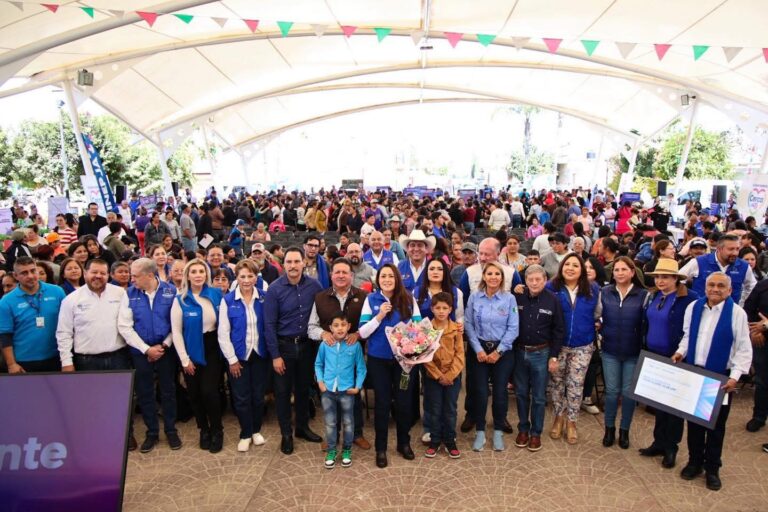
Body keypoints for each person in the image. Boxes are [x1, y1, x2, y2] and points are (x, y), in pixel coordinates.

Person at [673, 272, 752, 491]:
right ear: (705, 287)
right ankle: (695, 462)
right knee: (695, 423)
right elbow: (688, 336)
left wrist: (735, 376)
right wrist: (680, 353)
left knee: (716, 427)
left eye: (720, 286)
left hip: (720, 376)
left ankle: (713, 468)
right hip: (695, 372)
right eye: (711, 285)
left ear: (729, 290)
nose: (714, 289)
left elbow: (744, 349)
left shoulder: (736, 314)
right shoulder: (694, 307)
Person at [56, 258, 135, 449]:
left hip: (118, 357)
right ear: (85, 273)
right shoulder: (71, 300)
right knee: (90, 404)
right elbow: (64, 333)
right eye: (94, 272)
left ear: (108, 275)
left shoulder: (120, 294)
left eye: (103, 273)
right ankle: (97, 440)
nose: (98, 276)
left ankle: (126, 435)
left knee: (122, 400)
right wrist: (67, 362)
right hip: (87, 360)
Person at [358, 263, 422, 468]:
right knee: (383, 404)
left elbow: (419, 328)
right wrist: (379, 316)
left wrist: (409, 342)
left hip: (403, 361)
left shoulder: (409, 299)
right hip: (379, 360)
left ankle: (404, 443)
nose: (387, 280)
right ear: (378, 280)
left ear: (397, 279)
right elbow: (363, 332)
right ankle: (381, 448)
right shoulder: (371, 300)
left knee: (403, 403)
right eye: (383, 276)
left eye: (390, 276)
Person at [264, 247, 324, 455]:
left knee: (302, 389)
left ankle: (302, 427)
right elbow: (269, 325)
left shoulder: (314, 286)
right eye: (288, 262)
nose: (292, 265)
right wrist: (275, 356)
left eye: (296, 261)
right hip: (284, 347)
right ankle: (286, 434)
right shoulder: (274, 289)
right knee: (281, 392)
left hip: (306, 346)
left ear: (303, 263)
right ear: (284, 264)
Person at [639, 258, 698, 468]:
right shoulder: (653, 295)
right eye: (658, 277)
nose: (661, 281)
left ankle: (671, 447)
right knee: (657, 404)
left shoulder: (689, 299)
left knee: (673, 407)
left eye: (665, 277)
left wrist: (682, 351)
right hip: (654, 356)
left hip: (675, 358)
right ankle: (659, 442)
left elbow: (692, 331)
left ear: (676, 278)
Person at [458, 238, 521, 434]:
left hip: (503, 341)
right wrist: (475, 344)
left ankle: (500, 418)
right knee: (475, 385)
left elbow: (518, 303)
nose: (483, 258)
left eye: (487, 254)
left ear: (498, 253)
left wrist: (502, 348)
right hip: (478, 338)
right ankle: (472, 414)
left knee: (501, 387)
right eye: (481, 254)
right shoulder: (469, 272)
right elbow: (463, 303)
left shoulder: (512, 273)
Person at [118, 258, 181, 453]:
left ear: (149, 275)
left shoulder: (171, 291)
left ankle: (171, 430)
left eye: (135, 276)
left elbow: (176, 323)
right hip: (140, 353)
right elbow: (124, 326)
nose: (132, 279)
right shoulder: (129, 294)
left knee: (168, 391)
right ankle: (152, 432)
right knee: (145, 393)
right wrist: (146, 349)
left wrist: (163, 345)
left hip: (166, 351)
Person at [307, 257, 371, 449]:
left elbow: (369, 325)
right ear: (331, 275)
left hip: (353, 355)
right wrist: (323, 333)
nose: (341, 276)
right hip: (330, 356)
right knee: (331, 397)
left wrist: (358, 335)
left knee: (353, 395)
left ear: (352, 276)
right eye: (338, 272)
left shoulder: (363, 297)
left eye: (345, 272)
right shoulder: (320, 297)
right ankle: (332, 437)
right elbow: (311, 327)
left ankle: (356, 434)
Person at [171, 259, 225, 454]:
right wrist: (185, 359)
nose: (198, 275)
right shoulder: (180, 300)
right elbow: (176, 332)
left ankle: (218, 430)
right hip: (191, 350)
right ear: (187, 275)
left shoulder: (216, 294)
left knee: (210, 391)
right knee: (195, 394)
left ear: (206, 274)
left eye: (201, 271)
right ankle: (204, 429)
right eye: (193, 271)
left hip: (212, 347)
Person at [546, 253, 600, 444]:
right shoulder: (551, 287)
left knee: (576, 385)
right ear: (561, 267)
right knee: (557, 383)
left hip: (582, 345)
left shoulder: (593, 289)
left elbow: (598, 314)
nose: (570, 268)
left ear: (582, 270)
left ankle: (572, 422)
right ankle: (559, 417)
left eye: (575, 265)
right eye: (567, 264)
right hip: (557, 345)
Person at [218, 259, 270, 452]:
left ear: (256, 278)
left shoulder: (265, 297)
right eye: (243, 276)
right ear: (236, 278)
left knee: (258, 396)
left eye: (250, 276)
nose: (247, 280)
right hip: (238, 357)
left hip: (260, 354)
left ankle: (256, 430)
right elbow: (223, 333)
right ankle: (245, 433)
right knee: (241, 397)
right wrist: (231, 359)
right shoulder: (228, 300)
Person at [512, 264, 563, 452]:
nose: (534, 283)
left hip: (542, 354)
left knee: (539, 397)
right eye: (530, 279)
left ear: (545, 280)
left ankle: (536, 433)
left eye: (538, 280)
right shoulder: (517, 296)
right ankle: (523, 429)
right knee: (521, 393)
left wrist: (554, 356)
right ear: (525, 281)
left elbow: (559, 330)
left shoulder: (553, 301)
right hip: (519, 352)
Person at [599, 256, 648, 449]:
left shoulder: (643, 295)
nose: (619, 273)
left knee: (628, 394)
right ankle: (609, 428)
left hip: (633, 351)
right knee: (611, 392)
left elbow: (646, 323)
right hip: (610, 350)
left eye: (624, 269)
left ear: (632, 272)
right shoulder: (604, 292)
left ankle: (624, 430)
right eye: (616, 270)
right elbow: (597, 315)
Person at [315, 312, 367, 469]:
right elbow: (318, 364)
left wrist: (357, 387)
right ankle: (331, 450)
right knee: (330, 422)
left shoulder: (355, 345)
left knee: (348, 422)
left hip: (347, 391)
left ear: (349, 327)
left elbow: (361, 368)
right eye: (336, 325)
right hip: (328, 391)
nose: (340, 328)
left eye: (343, 325)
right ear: (330, 328)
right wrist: (320, 382)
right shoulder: (325, 345)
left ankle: (347, 450)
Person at [0, 257, 66, 373]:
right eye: (24, 273)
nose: (30, 276)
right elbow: (5, 336)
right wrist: (11, 364)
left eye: (33, 270)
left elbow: (68, 325)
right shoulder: (6, 301)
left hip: (56, 357)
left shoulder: (57, 292)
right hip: (24, 362)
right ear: (15, 276)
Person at [422, 292, 465, 459]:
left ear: (450, 310)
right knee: (434, 408)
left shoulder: (456, 330)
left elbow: (460, 354)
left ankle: (450, 440)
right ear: (432, 309)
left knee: (450, 409)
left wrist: (451, 374)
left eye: (445, 308)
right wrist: (438, 375)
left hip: (452, 377)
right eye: (437, 308)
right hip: (433, 376)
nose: (441, 311)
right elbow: (424, 355)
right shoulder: (427, 330)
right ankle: (434, 440)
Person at [679, 233, 755, 305]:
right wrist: (689, 301)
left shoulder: (743, 266)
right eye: (731, 249)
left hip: (729, 312)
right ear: (719, 249)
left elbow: (752, 287)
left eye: (737, 249)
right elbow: (678, 280)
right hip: (702, 310)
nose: (735, 253)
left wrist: (741, 304)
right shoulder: (699, 262)